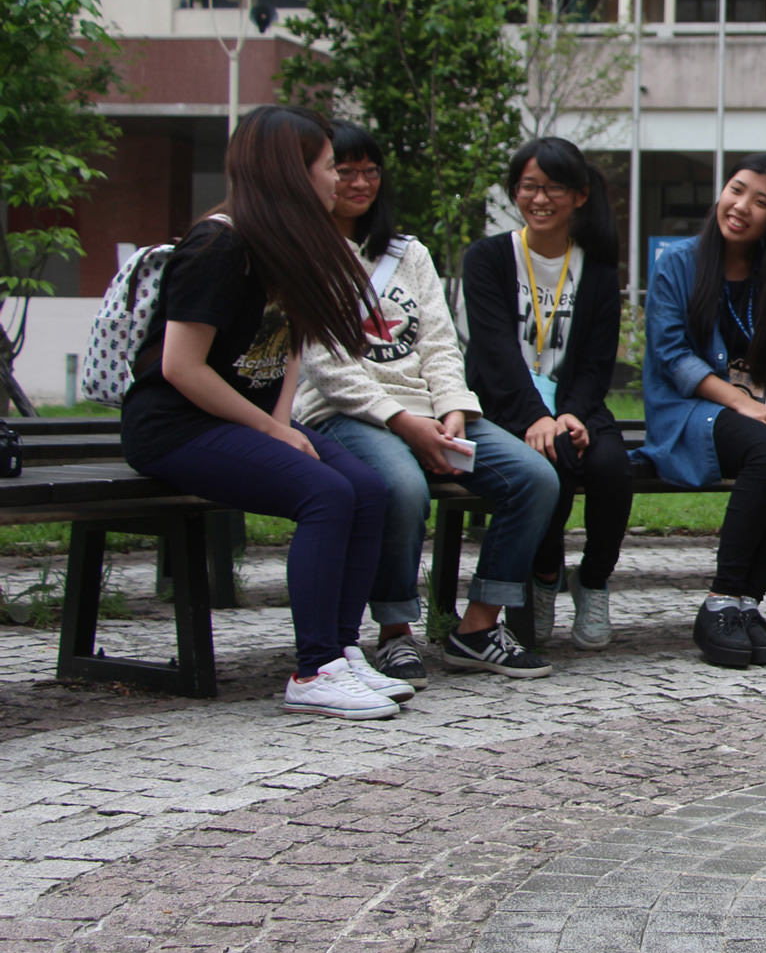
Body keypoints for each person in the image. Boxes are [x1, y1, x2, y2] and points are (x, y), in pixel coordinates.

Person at [119, 106, 401, 720]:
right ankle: (313, 670)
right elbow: (181, 367)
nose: (338, 179)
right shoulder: (218, 245)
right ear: (290, 173)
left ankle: (342, 651)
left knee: (368, 488)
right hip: (176, 428)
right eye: (329, 166)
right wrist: (271, 431)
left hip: (244, 421)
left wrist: (280, 423)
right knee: (325, 493)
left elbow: (288, 348)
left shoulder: (290, 243)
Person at [296, 122, 560, 683]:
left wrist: (452, 412)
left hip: (427, 409)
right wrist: (403, 424)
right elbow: (326, 368)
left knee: (535, 478)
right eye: (346, 171)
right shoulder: (303, 251)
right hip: (345, 413)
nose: (360, 182)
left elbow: (439, 344)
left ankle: (478, 628)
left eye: (370, 171)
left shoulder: (407, 253)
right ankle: (395, 632)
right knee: (402, 486)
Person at [641, 154, 766, 669]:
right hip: (690, 411)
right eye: (736, 189)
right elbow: (672, 355)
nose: (741, 206)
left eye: (761, 201)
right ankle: (720, 599)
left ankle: (745, 603)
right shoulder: (678, 264)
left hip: (759, 414)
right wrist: (743, 403)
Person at [461, 138, 631, 651]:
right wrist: (537, 416)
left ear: (579, 195)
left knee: (612, 467)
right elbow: (493, 352)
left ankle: (593, 581)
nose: (539, 199)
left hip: (575, 404)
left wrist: (572, 413)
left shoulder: (596, 269)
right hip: (507, 404)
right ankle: (544, 574)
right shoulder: (488, 258)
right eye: (528, 187)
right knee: (552, 460)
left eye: (553, 187)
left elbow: (598, 361)